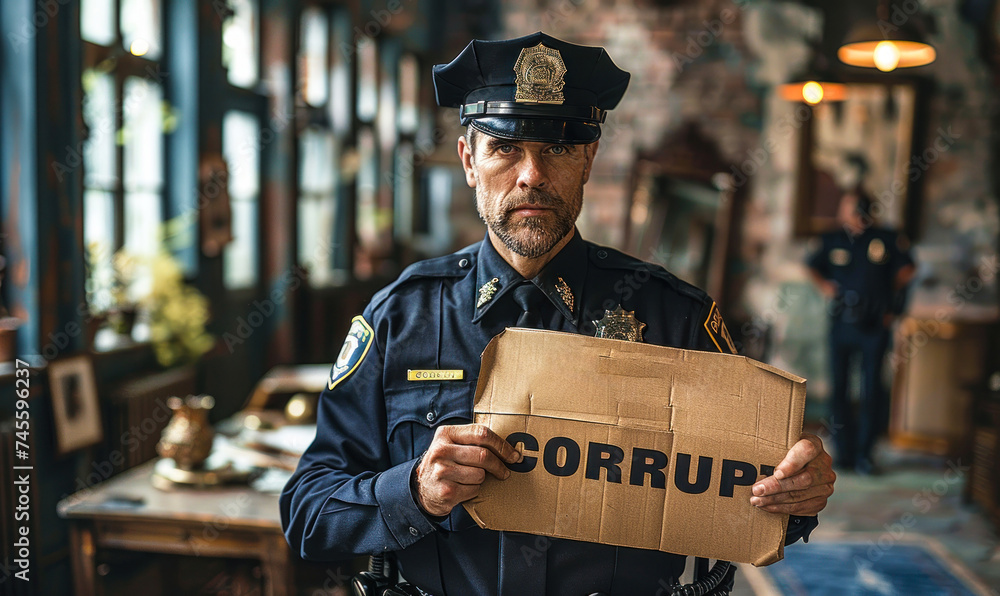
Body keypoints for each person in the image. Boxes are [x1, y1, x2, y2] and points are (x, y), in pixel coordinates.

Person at [282, 32, 835, 595]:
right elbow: (307, 516)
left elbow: (755, 493)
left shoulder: (676, 320)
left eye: (559, 149)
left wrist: (798, 498)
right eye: (505, 148)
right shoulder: (401, 318)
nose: (532, 175)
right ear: (469, 160)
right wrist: (417, 490)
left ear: (589, 160)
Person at [807, 190, 915, 475]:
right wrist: (827, 287)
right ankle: (845, 453)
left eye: (861, 208)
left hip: (874, 325)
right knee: (839, 389)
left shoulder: (886, 238)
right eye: (852, 208)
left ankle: (866, 454)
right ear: (843, 211)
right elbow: (812, 266)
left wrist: (891, 303)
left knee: (871, 391)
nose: (856, 214)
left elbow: (908, 270)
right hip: (842, 322)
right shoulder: (833, 239)